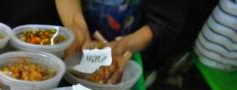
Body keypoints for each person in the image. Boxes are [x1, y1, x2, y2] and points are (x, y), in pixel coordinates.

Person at [56, 0, 191, 70]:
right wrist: (76, 25)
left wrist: (123, 46)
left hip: (139, 47)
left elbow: (164, 25)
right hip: (87, 29)